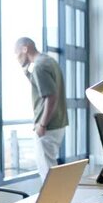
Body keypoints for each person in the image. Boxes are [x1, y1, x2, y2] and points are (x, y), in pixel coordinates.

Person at [14, 37, 68, 181]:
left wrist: (42, 124)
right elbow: (44, 88)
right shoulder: (49, 61)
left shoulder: (39, 66)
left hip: (48, 126)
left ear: (25, 49)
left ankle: (54, 202)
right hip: (59, 122)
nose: (17, 58)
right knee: (51, 169)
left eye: (17, 53)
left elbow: (50, 96)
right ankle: (58, 201)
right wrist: (27, 74)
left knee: (47, 173)